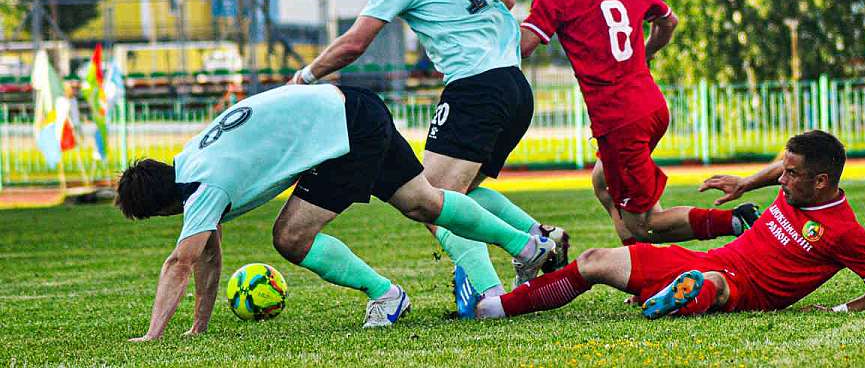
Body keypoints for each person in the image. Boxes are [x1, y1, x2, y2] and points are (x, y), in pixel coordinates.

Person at [288, 0, 567, 311]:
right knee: (459, 196)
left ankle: (493, 291)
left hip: (476, 88)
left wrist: (305, 77)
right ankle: (537, 236)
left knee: (428, 199)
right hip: (513, 85)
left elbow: (355, 43)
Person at [115, 84, 555, 340]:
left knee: (290, 237)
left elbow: (180, 262)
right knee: (424, 201)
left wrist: (153, 335)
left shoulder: (201, 189)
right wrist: (198, 326)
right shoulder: (191, 158)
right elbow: (207, 255)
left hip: (343, 132)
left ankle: (386, 295)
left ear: (163, 208)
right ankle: (526, 244)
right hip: (354, 105)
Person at [473, 130, 865, 320]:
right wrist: (744, 183)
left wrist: (838, 310)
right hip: (710, 259)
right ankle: (496, 309)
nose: (782, 180)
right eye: (785, 171)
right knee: (594, 260)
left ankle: (678, 296)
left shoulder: (844, 231)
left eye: (791, 175)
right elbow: (779, 167)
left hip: (745, 290)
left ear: (822, 181)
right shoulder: (800, 183)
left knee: (712, 285)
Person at [519, 0, 759, 246]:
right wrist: (644, 54)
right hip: (651, 105)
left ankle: (737, 221)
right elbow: (669, 21)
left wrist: (486, 20)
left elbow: (523, 46)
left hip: (619, 120)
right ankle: (641, 268)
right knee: (603, 183)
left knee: (644, 225)